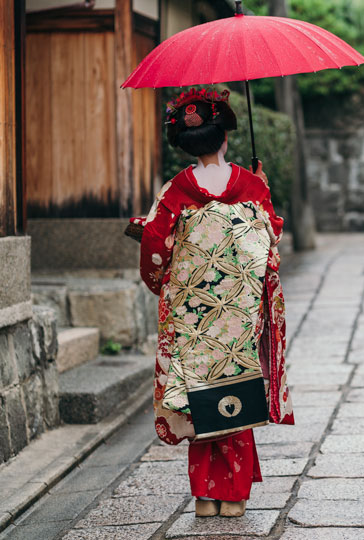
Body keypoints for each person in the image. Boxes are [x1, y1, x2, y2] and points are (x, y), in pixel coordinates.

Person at [136, 88, 294, 518]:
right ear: (224, 137)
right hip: (239, 313)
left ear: (184, 144)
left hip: (193, 313)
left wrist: (163, 287)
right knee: (235, 388)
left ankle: (205, 497)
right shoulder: (249, 184)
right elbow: (271, 238)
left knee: (198, 394)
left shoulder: (176, 190)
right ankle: (236, 496)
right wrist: (262, 189)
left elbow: (155, 246)